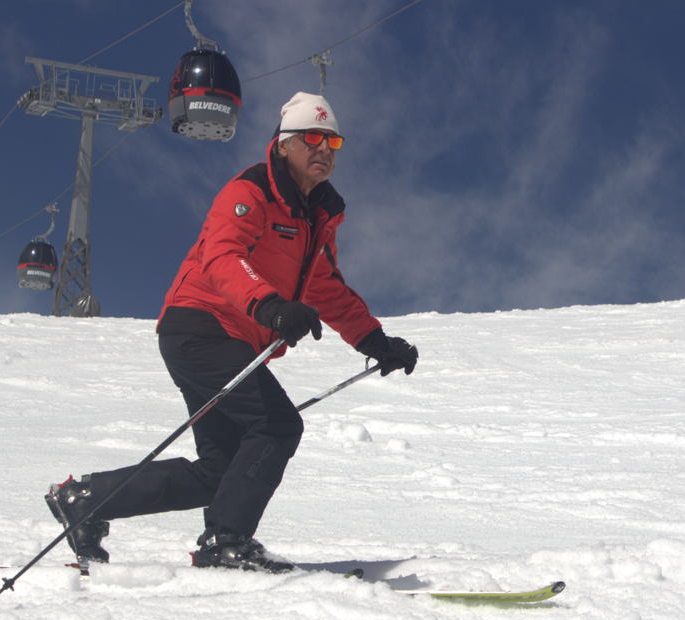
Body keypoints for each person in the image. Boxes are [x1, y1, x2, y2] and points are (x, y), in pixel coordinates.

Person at [45, 92, 417, 573]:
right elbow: (222, 257)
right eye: (312, 138)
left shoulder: (316, 218)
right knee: (276, 426)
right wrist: (270, 307)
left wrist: (375, 342)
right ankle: (226, 541)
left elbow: (326, 287)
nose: (324, 149)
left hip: (231, 338)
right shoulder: (252, 192)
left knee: (219, 472)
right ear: (284, 144)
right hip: (200, 327)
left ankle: (85, 500)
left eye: (333, 141)